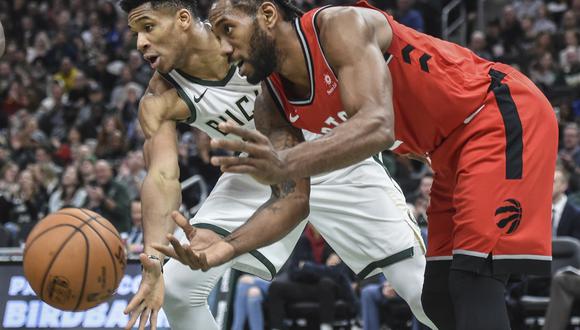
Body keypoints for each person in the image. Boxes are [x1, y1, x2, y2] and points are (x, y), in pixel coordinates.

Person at [173, 1, 558, 329]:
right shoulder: (271, 103)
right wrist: (225, 247)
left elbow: (376, 125)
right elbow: (293, 201)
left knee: (474, 281)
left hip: (492, 114)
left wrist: (284, 161)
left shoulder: (338, 26)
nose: (223, 48)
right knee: (438, 300)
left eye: (229, 29)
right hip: (446, 154)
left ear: (269, 15)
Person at [119, 1, 433, 329]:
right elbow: (162, 176)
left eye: (148, 27)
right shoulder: (159, 98)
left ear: (183, 19)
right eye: (136, 33)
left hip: (328, 151)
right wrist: (152, 262)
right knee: (179, 290)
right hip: (256, 172)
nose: (140, 43)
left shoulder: (247, 34)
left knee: (419, 289)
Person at [552, 166, 580, 239]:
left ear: (564, 186)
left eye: (553, 181)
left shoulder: (576, 214)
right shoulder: (538, 211)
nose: (549, 185)